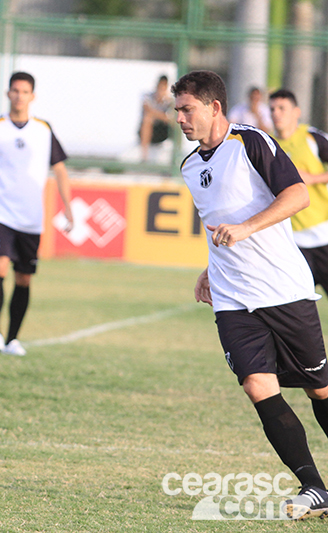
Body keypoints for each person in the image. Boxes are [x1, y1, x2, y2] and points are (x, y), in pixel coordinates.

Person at [173, 70, 328, 520]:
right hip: (232, 298)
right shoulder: (189, 166)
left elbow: (297, 195)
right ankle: (314, 487)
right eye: (177, 110)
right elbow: (218, 219)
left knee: (319, 388)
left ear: (214, 107)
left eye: (188, 109)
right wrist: (209, 267)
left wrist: (246, 229)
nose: (180, 118)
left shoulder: (252, 142)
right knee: (259, 387)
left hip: (283, 289)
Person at [0, 71, 74, 357]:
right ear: (8, 93)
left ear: (32, 96)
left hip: (31, 217)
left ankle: (13, 339)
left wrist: (68, 208)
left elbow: (59, 170)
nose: (19, 96)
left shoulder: (44, 130)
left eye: (24, 92)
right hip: (0, 212)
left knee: (24, 278)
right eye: (15, 91)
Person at [269, 89, 328, 294]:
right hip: (292, 244)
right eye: (272, 109)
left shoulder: (312, 138)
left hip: (323, 237)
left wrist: (314, 178)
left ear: (296, 112)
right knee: (290, 304)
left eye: (282, 108)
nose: (276, 113)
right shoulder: (267, 145)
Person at [138, 75, 174, 162]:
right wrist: (161, 115)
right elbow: (147, 110)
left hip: (164, 130)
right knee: (148, 119)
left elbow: (171, 119)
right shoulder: (148, 97)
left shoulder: (170, 101)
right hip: (151, 128)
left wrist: (157, 114)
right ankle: (144, 156)